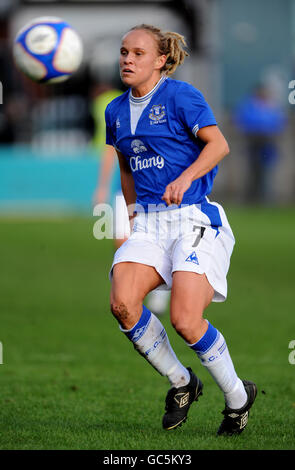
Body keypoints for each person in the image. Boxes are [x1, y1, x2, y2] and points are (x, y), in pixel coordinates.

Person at [105, 24, 257, 435]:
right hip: (150, 223)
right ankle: (182, 382)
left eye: (138, 53)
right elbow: (125, 161)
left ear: (160, 60)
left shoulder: (181, 96)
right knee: (122, 303)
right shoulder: (115, 110)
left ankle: (239, 399)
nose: (127, 59)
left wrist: (186, 177)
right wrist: (133, 211)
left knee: (186, 320)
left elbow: (219, 144)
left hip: (193, 218)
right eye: (123, 52)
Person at [92, 82, 170, 313]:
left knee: (156, 241)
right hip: (124, 190)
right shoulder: (115, 111)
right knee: (122, 245)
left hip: (154, 190)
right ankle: (132, 299)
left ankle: (158, 291)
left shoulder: (164, 107)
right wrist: (102, 186)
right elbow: (110, 150)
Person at [234, 84, 286, 204]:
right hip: (253, 141)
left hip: (268, 142)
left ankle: (265, 196)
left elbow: (279, 122)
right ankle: (251, 197)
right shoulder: (249, 105)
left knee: (266, 168)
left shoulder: (272, 106)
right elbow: (243, 121)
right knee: (252, 169)